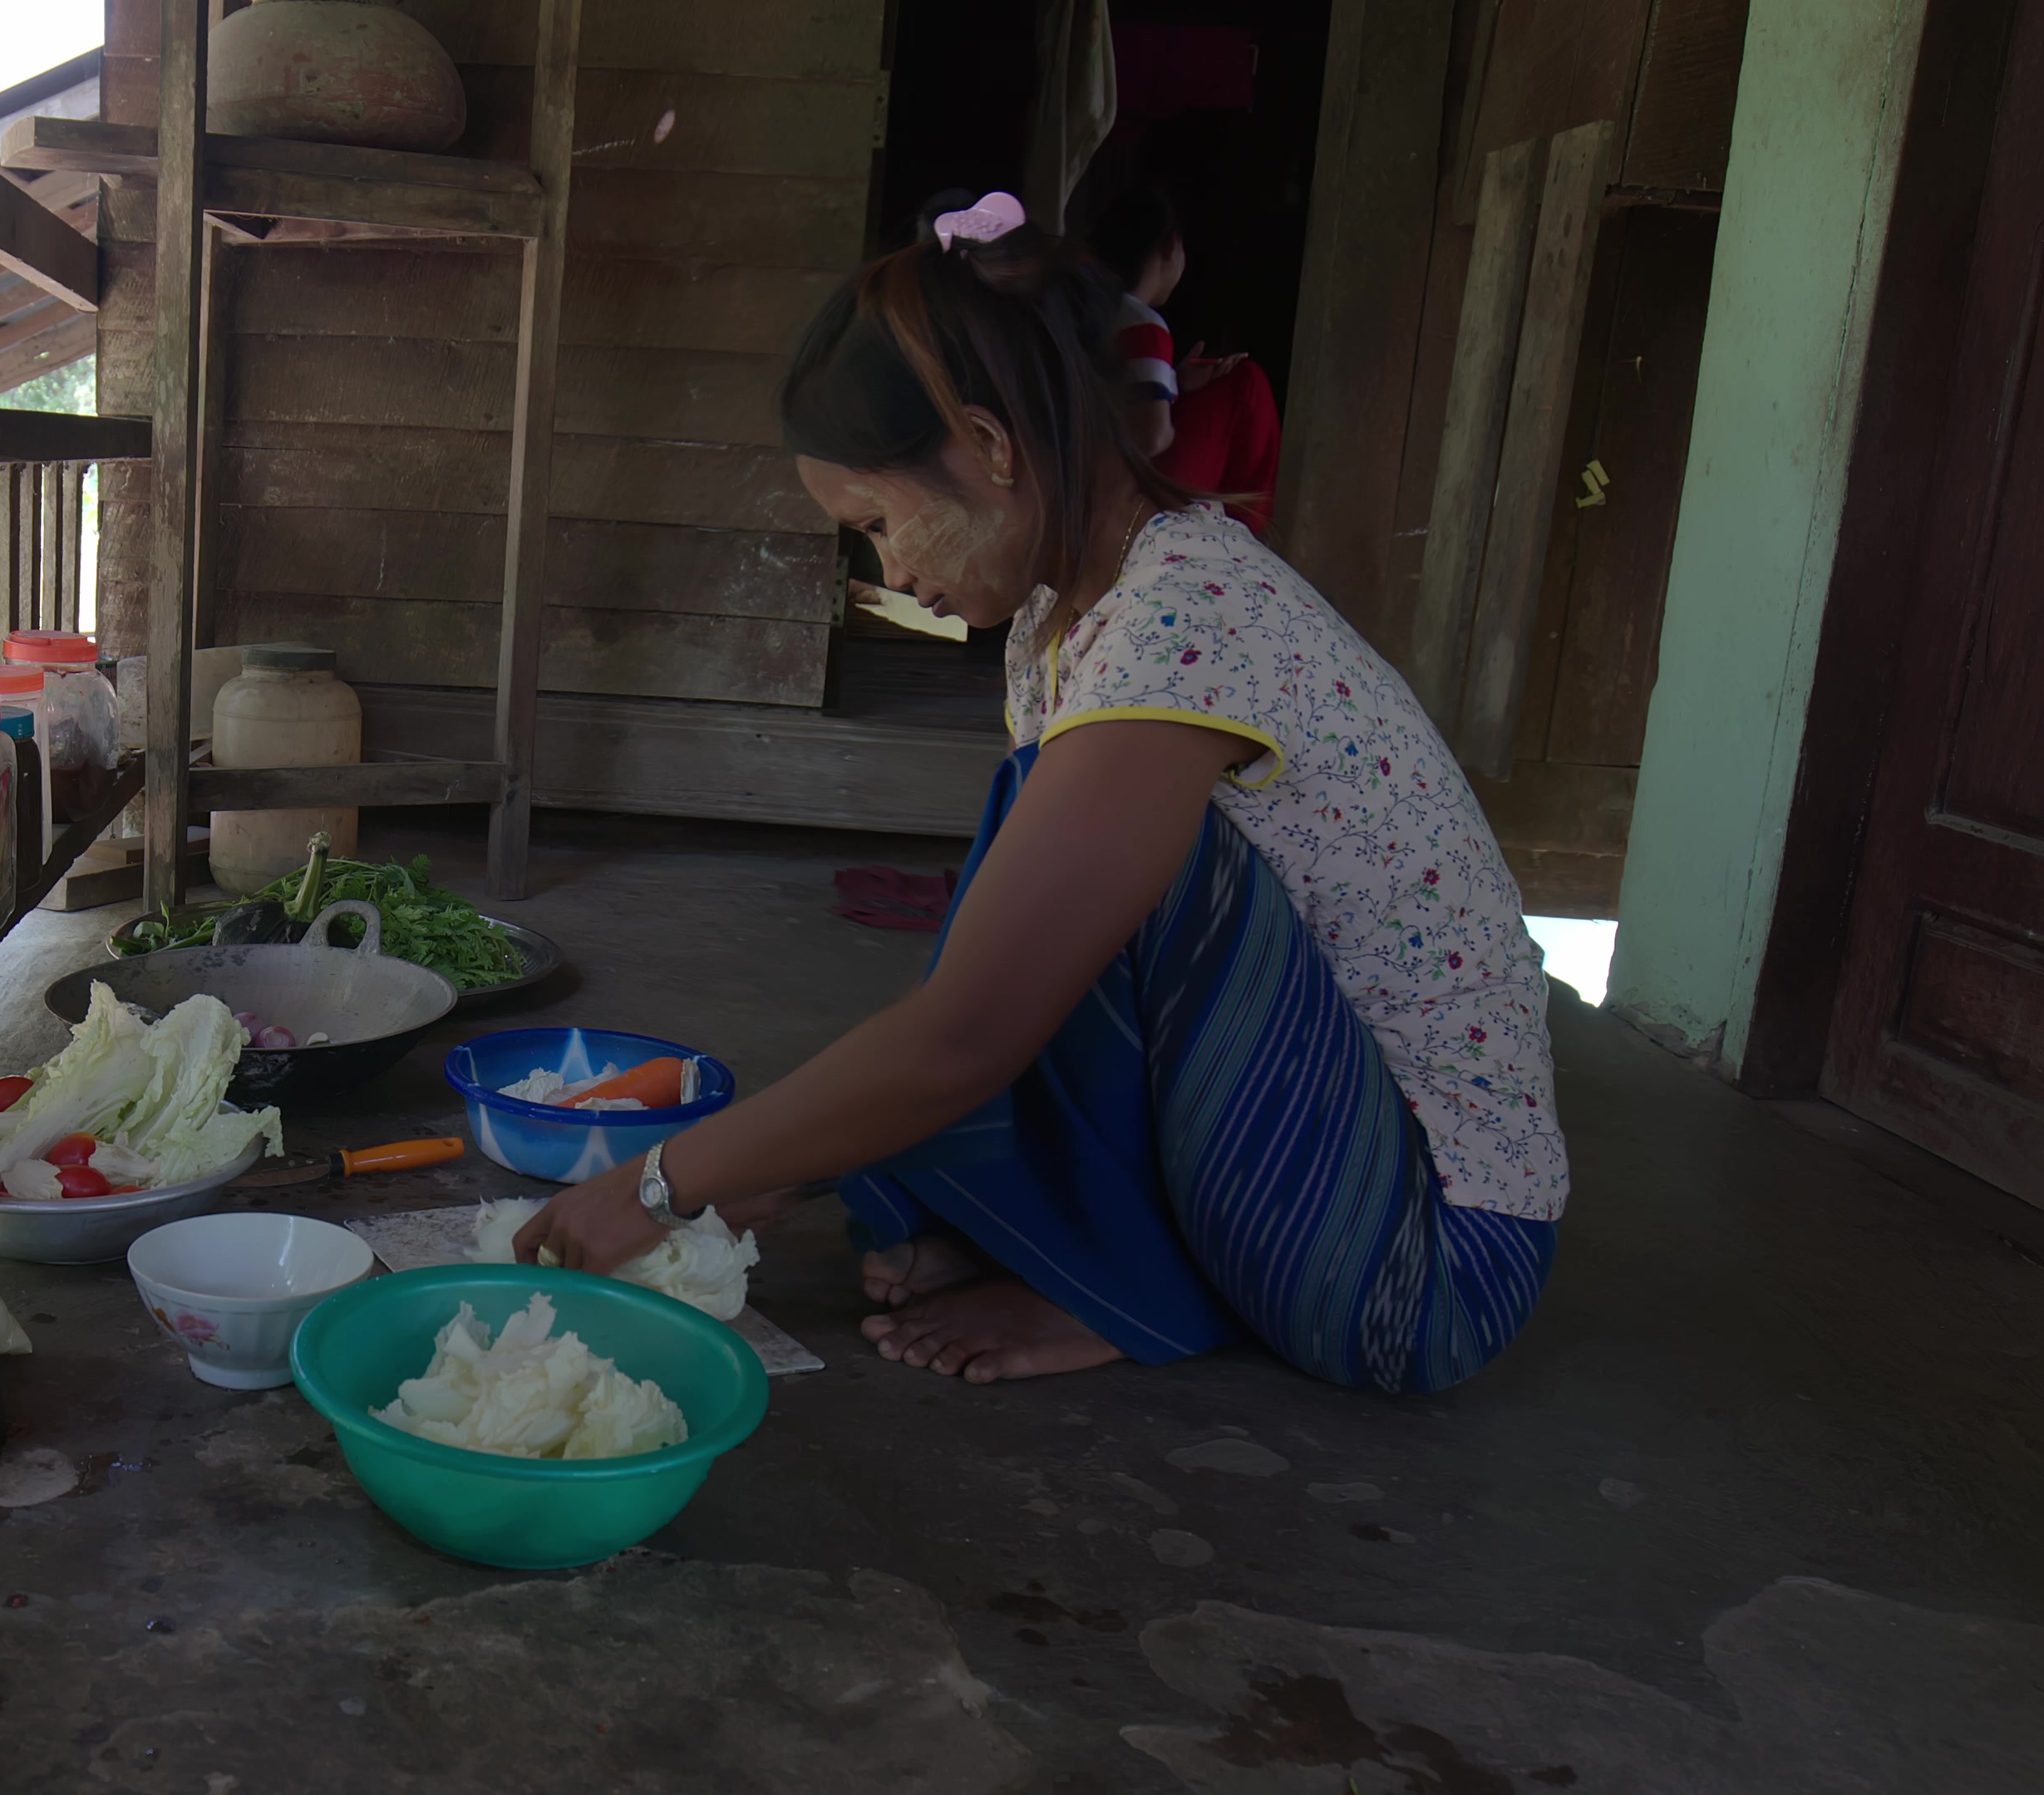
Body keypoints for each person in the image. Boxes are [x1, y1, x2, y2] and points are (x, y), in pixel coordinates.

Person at [511, 193, 1564, 1395]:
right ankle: (1099, 1249)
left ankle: (1139, 1286)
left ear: (992, 447)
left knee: (1071, 866)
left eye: (878, 523)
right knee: (1042, 861)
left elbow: (975, 1030)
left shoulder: (1187, 628)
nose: (889, 571)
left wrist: (666, 1182)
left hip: (1414, 1269)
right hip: (1320, 1181)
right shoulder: (1072, 618)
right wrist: (791, 1170)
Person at [1090, 184, 1280, 535]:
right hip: (1126, 493)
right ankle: (1241, 540)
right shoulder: (1143, 324)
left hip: (1083, 477)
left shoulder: (1089, 312)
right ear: (1171, 245)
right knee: (1247, 381)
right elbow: (1153, 436)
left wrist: (1174, 381)